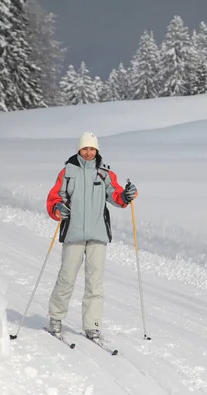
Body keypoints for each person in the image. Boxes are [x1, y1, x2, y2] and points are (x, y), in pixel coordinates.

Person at [45, 131, 137, 339]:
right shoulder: (67, 172)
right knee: (66, 277)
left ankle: (92, 324)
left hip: (98, 233)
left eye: (92, 149)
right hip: (73, 233)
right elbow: (54, 198)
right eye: (85, 148)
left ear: (97, 150)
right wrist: (58, 207)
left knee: (95, 281)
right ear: (79, 149)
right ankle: (56, 317)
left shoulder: (104, 173)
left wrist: (126, 195)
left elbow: (115, 195)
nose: (88, 152)